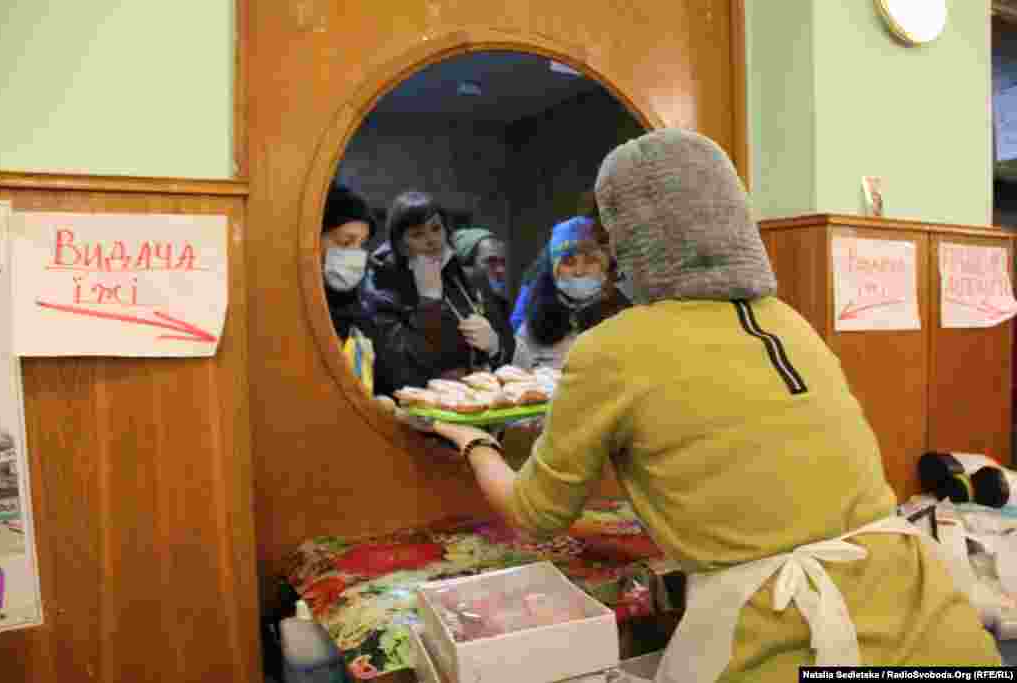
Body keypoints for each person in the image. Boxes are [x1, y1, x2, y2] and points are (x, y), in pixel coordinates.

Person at [421, 129, 1001, 679]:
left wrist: (470, 440)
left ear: (627, 242)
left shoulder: (612, 349)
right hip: (936, 626)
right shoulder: (790, 321)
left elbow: (537, 512)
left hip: (787, 638)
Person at [362, 191, 515, 395]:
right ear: (401, 245)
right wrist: (429, 301)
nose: (432, 240)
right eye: (417, 234)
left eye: (436, 228)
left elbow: (508, 351)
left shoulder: (470, 279)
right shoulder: (383, 292)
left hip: (480, 402)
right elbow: (399, 372)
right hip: (419, 411)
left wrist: (495, 346)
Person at [511, 216, 626, 371]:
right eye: (568, 262)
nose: (579, 271)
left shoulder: (627, 320)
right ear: (553, 271)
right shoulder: (530, 331)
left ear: (606, 267)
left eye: (591, 261)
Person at [319, 184, 376, 340]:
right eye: (345, 242)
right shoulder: (290, 307)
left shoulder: (363, 315)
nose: (355, 255)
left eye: (362, 244)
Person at [452, 227, 511, 314]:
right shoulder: (448, 308)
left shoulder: (501, 307)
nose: (500, 270)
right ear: (467, 266)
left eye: (502, 262)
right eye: (491, 261)